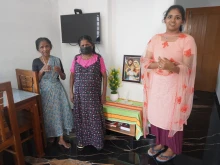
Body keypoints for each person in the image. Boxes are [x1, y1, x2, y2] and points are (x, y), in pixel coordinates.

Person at [141, 5, 197, 162]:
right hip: (157, 86)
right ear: (165, 19)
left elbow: (188, 67)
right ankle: (159, 143)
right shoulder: (155, 38)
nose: (173, 20)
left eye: (177, 17)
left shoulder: (187, 40)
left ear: (183, 21)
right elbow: (145, 61)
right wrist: (160, 65)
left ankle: (172, 148)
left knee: (172, 117)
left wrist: (171, 67)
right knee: (157, 115)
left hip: (176, 87)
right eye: (170, 16)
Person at [32, 37, 73, 149]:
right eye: (42, 47)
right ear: (38, 49)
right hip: (45, 92)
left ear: (50, 47)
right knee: (48, 114)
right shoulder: (36, 61)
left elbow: (63, 77)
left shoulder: (57, 60)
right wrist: (41, 71)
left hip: (57, 91)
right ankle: (51, 134)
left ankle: (61, 139)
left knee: (59, 113)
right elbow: (35, 80)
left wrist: (59, 71)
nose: (45, 49)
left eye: (47, 46)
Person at [69, 35, 107, 150]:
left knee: (94, 118)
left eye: (87, 45)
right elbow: (72, 76)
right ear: (80, 47)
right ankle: (82, 141)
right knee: (81, 118)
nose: (85, 47)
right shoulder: (76, 59)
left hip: (94, 96)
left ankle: (97, 142)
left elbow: (105, 76)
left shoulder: (98, 58)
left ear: (92, 45)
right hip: (80, 96)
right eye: (82, 45)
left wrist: (104, 93)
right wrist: (71, 92)